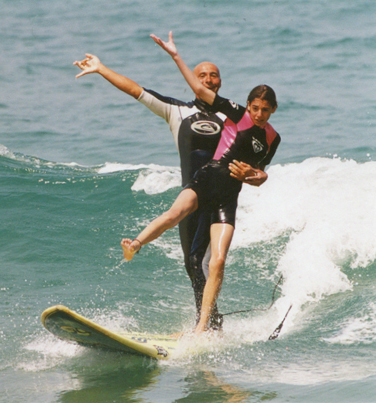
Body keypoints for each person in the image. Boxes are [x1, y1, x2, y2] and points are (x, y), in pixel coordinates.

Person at [73, 54, 265, 330]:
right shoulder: (176, 111)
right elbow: (136, 90)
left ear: (220, 82)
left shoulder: (234, 116)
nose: (209, 79)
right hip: (193, 193)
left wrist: (255, 174)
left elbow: (256, 155)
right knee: (191, 264)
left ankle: (208, 325)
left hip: (219, 199)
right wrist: (102, 69)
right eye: (202, 75)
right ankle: (210, 322)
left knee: (204, 262)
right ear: (193, 82)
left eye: (214, 75)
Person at [121, 31, 281, 334]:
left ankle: (203, 328)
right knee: (175, 214)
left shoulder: (273, 138)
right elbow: (196, 86)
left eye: (266, 110)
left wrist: (257, 175)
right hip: (207, 179)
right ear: (248, 105)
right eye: (255, 108)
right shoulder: (235, 113)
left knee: (217, 261)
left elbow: (259, 174)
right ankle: (135, 244)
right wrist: (175, 54)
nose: (259, 114)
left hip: (227, 198)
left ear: (273, 110)